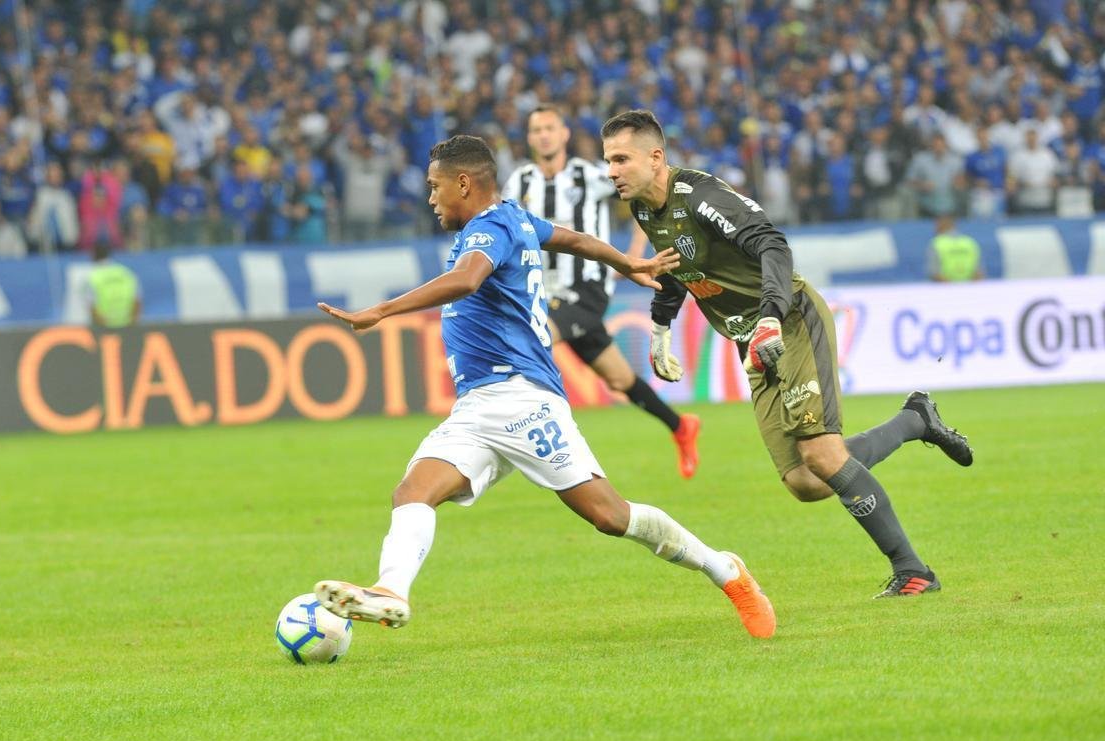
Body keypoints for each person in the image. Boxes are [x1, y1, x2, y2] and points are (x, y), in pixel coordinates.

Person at [314, 135, 775, 638]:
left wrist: (381, 309)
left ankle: (725, 571)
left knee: (610, 515)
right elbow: (573, 240)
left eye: (435, 186)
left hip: (523, 401)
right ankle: (390, 592)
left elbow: (468, 280)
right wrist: (627, 262)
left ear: (464, 183)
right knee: (412, 492)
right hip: (476, 407)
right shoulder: (514, 218)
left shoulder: (489, 228)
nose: (430, 198)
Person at [600, 109, 974, 598]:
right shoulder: (646, 208)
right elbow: (675, 266)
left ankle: (913, 570)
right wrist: (660, 328)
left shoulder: (702, 196)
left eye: (621, 159)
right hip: (749, 341)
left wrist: (771, 316)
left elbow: (772, 245)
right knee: (805, 480)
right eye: (607, 161)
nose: (612, 171)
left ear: (656, 157)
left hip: (790, 319)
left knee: (820, 453)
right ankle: (914, 420)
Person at [502, 104, 701, 479]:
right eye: (535, 130)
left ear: (564, 134)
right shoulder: (519, 183)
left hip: (587, 289)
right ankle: (680, 426)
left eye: (550, 127)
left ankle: (543, 445)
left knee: (532, 341)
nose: (543, 135)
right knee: (619, 379)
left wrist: (635, 256)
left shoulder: (589, 175)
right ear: (529, 139)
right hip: (545, 295)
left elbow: (644, 195)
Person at [86, 239, 142, 328]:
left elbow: (91, 306)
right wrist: (133, 323)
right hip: (127, 325)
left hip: (105, 328)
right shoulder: (126, 272)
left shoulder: (92, 277)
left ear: (93, 255)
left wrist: (103, 326)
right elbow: (137, 301)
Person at [927, 215, 984, 281]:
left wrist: (953, 288)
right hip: (969, 288)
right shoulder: (969, 242)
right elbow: (979, 273)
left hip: (945, 289)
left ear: (939, 226)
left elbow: (934, 273)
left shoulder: (936, 243)